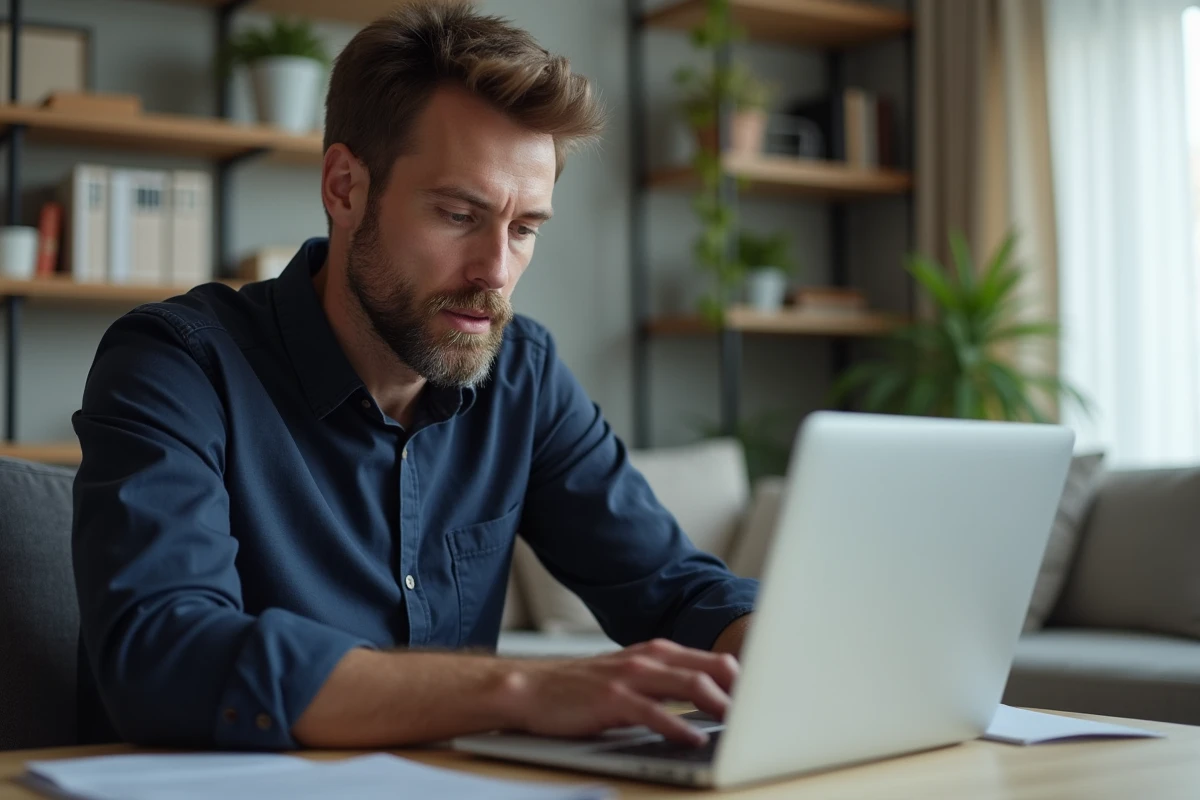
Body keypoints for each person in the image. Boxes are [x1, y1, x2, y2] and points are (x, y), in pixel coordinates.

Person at [71, 0, 757, 752]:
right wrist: (524, 689)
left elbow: (679, 591)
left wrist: (778, 654)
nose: (496, 271)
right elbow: (165, 656)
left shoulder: (522, 375)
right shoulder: (176, 364)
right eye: (459, 215)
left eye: (524, 228)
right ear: (343, 187)